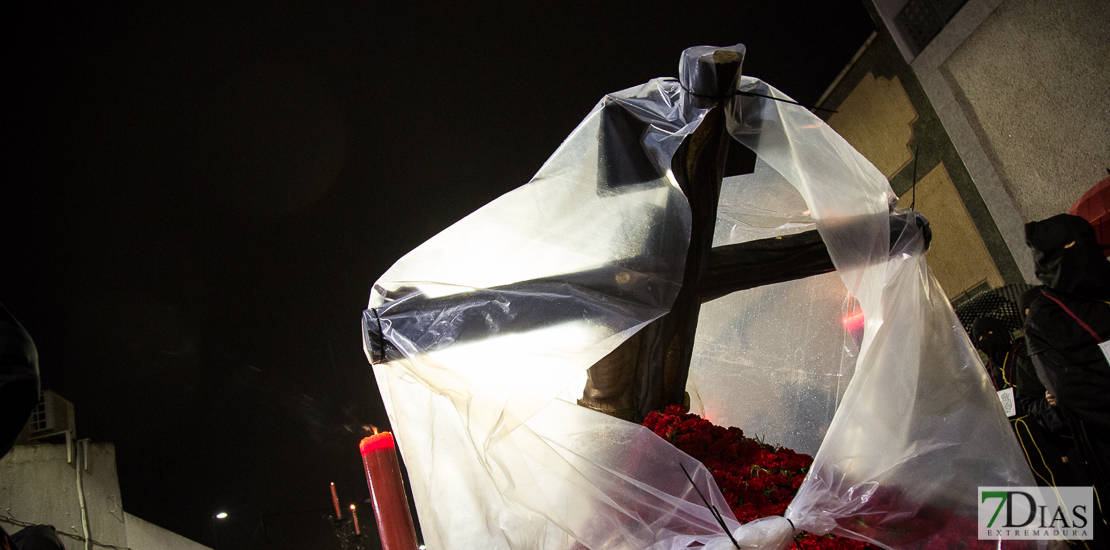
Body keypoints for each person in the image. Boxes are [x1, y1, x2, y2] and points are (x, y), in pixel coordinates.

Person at [1023, 213, 1110, 547]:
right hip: (1090, 441)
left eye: (1083, 244)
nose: (1081, 256)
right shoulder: (1046, 318)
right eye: (1070, 249)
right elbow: (1072, 391)